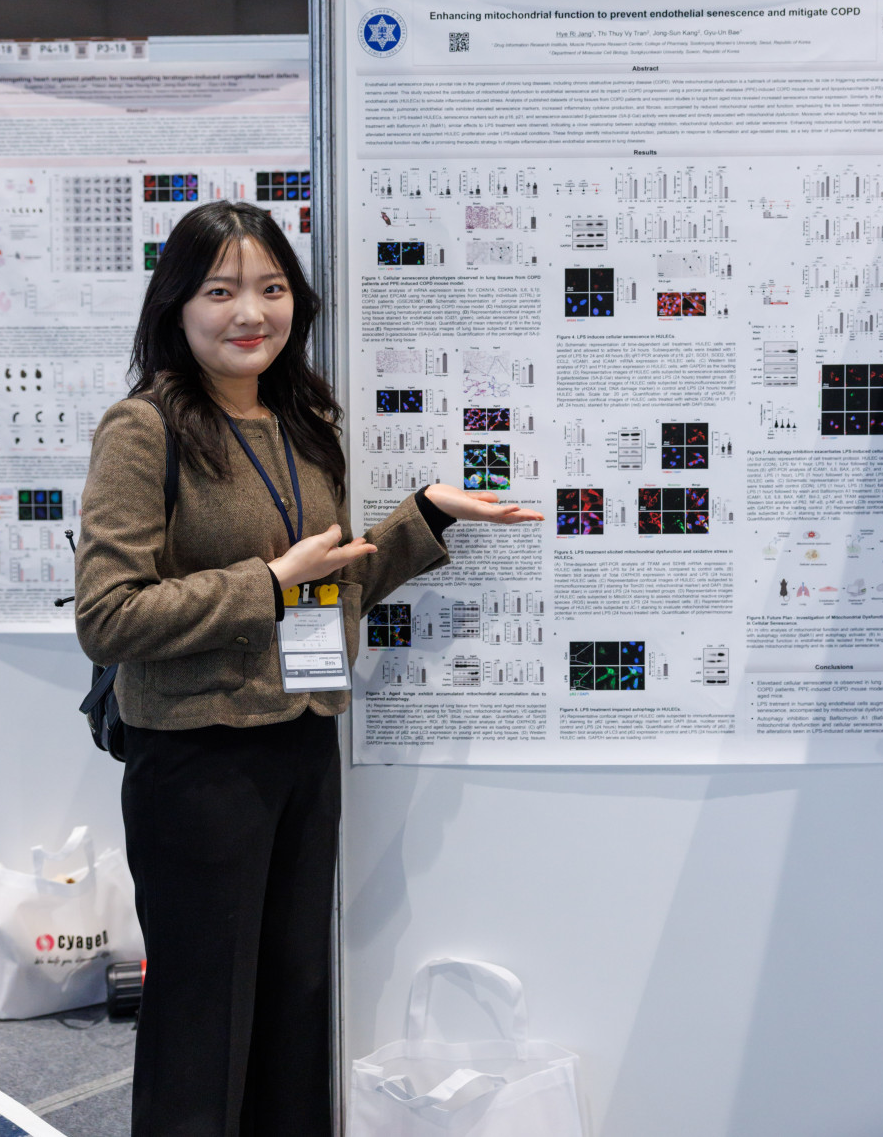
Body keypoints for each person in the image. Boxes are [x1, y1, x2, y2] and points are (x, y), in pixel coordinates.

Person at [73, 200, 541, 1137]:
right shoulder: (144, 428)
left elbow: (331, 586)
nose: (251, 312)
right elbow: (108, 615)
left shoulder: (302, 421)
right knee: (202, 1021)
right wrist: (268, 581)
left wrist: (426, 516)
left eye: (272, 288)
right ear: (177, 306)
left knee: (295, 1006)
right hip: (196, 761)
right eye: (221, 291)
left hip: (300, 742)